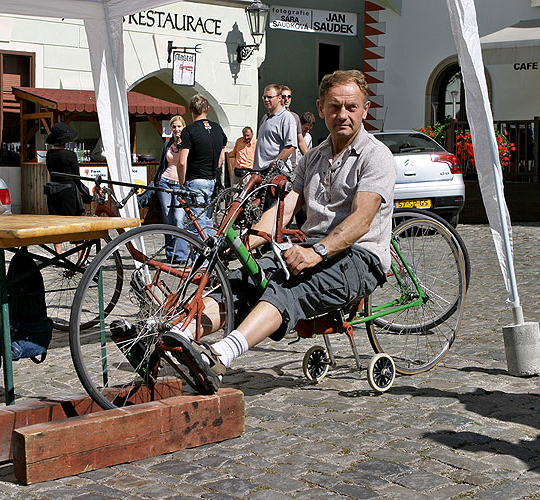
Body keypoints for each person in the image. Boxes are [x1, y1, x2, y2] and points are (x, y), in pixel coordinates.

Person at [161, 69, 397, 394]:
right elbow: (283, 209)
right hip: (312, 250)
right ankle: (176, 337)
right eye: (334, 106)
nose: (342, 114)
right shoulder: (313, 157)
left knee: (289, 290)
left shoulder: (376, 156)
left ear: (365, 109)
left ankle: (220, 356)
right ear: (321, 107)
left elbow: (361, 221)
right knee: (243, 278)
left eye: (351, 107)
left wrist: (317, 252)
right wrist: (246, 243)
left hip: (359, 257)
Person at [177, 94, 227, 238]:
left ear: (190, 109)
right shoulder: (218, 129)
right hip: (211, 180)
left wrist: (182, 184)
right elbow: (221, 157)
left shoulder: (189, 131)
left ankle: (202, 259)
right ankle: (210, 255)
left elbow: (181, 162)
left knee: (196, 225)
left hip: (195, 180)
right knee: (207, 222)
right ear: (208, 109)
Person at [44, 122, 91, 252]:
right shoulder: (70, 155)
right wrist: (84, 193)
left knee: (56, 221)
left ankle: (58, 252)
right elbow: (76, 176)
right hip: (68, 191)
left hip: (53, 191)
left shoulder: (49, 155)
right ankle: (80, 252)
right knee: (74, 221)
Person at [152, 114, 188, 262]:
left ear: (183, 127)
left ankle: (181, 255)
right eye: (174, 127)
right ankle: (170, 253)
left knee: (179, 219)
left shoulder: (188, 143)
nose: (176, 129)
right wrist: (158, 178)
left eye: (179, 126)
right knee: (167, 218)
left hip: (180, 184)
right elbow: (163, 163)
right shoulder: (167, 144)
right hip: (165, 182)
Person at [253, 84, 297, 172]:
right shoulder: (266, 117)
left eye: (269, 97)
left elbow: (291, 145)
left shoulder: (286, 117)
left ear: (279, 98)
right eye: (264, 97)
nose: (266, 100)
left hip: (275, 173)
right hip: (260, 170)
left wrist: (275, 163)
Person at [279, 85, 309, 168]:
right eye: (284, 96)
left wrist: (310, 160)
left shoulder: (295, 117)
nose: (286, 99)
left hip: (289, 165)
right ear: (278, 98)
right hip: (272, 164)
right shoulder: (269, 117)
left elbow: (300, 142)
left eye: (289, 96)